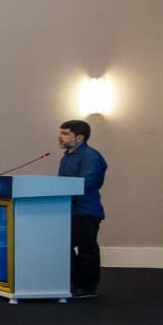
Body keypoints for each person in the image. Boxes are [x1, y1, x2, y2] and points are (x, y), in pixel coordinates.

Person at [58, 118, 108, 298]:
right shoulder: (66, 157)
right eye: (60, 132)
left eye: (65, 133)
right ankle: (74, 282)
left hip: (85, 211)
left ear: (79, 137)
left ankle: (87, 288)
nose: (60, 136)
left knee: (87, 250)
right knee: (63, 246)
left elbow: (87, 183)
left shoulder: (91, 156)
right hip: (68, 210)